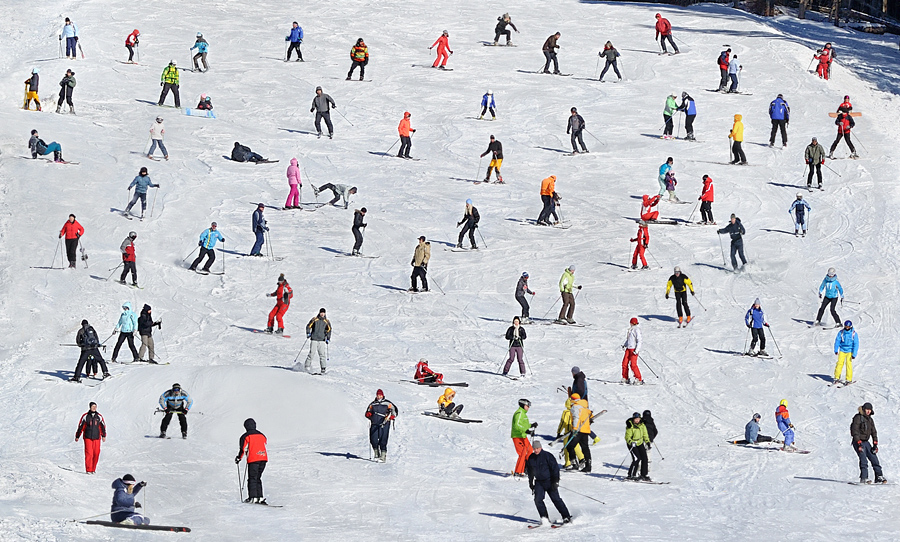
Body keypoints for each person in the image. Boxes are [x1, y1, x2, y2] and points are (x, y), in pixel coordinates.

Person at [526, 441, 572, 527]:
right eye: (534, 449)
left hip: (550, 481)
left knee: (556, 499)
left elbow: (555, 469)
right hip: (539, 482)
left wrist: (556, 480)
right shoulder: (531, 458)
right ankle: (545, 518)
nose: (536, 450)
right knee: (538, 500)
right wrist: (531, 483)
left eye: (537, 448)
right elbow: (530, 472)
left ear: (540, 448)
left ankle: (566, 517)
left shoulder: (547, 456)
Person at [235, 419, 268, 504]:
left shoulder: (245, 436)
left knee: (252, 478)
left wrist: (239, 458)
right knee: (258, 478)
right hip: (263, 458)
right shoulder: (262, 435)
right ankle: (260, 497)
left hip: (254, 459)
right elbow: (264, 443)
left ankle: (253, 497)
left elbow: (243, 449)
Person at [851, 402, 885, 484]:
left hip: (866, 442)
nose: (868, 411)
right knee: (863, 460)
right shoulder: (858, 418)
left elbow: (874, 432)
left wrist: (875, 444)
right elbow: (854, 430)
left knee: (874, 459)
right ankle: (864, 478)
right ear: (863, 409)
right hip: (858, 442)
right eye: (867, 409)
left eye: (870, 410)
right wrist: (858, 442)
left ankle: (879, 476)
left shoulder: (870, 420)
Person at [365, 390, 398, 462]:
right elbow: (368, 412)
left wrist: (391, 417)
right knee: (373, 439)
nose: (379, 396)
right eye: (378, 395)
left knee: (383, 439)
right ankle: (376, 453)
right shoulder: (373, 404)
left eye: (380, 395)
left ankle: (383, 455)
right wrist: (368, 414)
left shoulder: (388, 403)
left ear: (383, 395)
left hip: (384, 423)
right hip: (374, 423)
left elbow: (394, 411)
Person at [75, 402, 106, 473]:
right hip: (88, 437)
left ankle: (93, 469)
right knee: (89, 453)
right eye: (93, 406)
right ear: (90, 407)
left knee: (96, 453)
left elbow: (102, 427)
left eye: (95, 406)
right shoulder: (85, 416)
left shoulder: (99, 416)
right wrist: (77, 436)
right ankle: (89, 469)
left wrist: (103, 435)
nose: (94, 408)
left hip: (97, 437)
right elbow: (81, 426)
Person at [566, 393, 592, 472]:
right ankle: (588, 465)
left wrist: (574, 429)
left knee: (570, 446)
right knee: (585, 448)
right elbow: (591, 416)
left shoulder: (575, 407)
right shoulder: (584, 406)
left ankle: (574, 464)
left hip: (578, 431)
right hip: (585, 430)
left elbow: (576, 418)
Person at [511, 398, 536, 477]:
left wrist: (531, 425)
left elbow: (524, 425)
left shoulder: (523, 414)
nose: (528, 407)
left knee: (530, 450)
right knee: (522, 453)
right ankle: (518, 471)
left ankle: (526, 468)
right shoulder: (519, 413)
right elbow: (517, 425)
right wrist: (526, 431)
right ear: (523, 405)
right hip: (517, 436)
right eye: (527, 406)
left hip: (523, 436)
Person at [303, 308, 331, 373]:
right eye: (321, 312)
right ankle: (307, 367)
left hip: (322, 340)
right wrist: (308, 333)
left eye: (323, 313)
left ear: (325, 313)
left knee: (322, 354)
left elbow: (329, 330)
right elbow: (308, 326)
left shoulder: (326, 321)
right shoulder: (315, 319)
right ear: (319, 313)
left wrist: (328, 338)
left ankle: (323, 368)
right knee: (311, 353)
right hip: (314, 339)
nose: (322, 314)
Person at [625, 412, 651, 480]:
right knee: (636, 458)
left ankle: (643, 474)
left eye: (638, 419)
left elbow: (645, 434)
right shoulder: (630, 425)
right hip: (632, 444)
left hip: (639, 443)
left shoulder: (642, 425)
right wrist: (631, 442)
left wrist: (647, 442)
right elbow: (627, 437)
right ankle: (631, 475)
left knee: (644, 458)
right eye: (635, 419)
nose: (637, 420)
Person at [833, 320, 859, 385]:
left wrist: (854, 354)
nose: (847, 328)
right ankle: (836, 377)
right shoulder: (841, 333)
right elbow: (837, 341)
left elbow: (856, 344)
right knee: (839, 363)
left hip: (850, 351)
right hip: (842, 350)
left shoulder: (854, 334)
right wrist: (836, 350)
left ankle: (848, 379)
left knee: (848, 364)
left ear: (850, 326)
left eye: (848, 327)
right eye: (846, 327)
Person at [621, 318, 643, 384]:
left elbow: (639, 341)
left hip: (633, 350)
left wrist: (637, 350)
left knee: (633, 364)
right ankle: (625, 378)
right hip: (628, 349)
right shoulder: (631, 330)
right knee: (624, 363)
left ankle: (639, 378)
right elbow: (629, 340)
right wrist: (625, 345)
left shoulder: (637, 330)